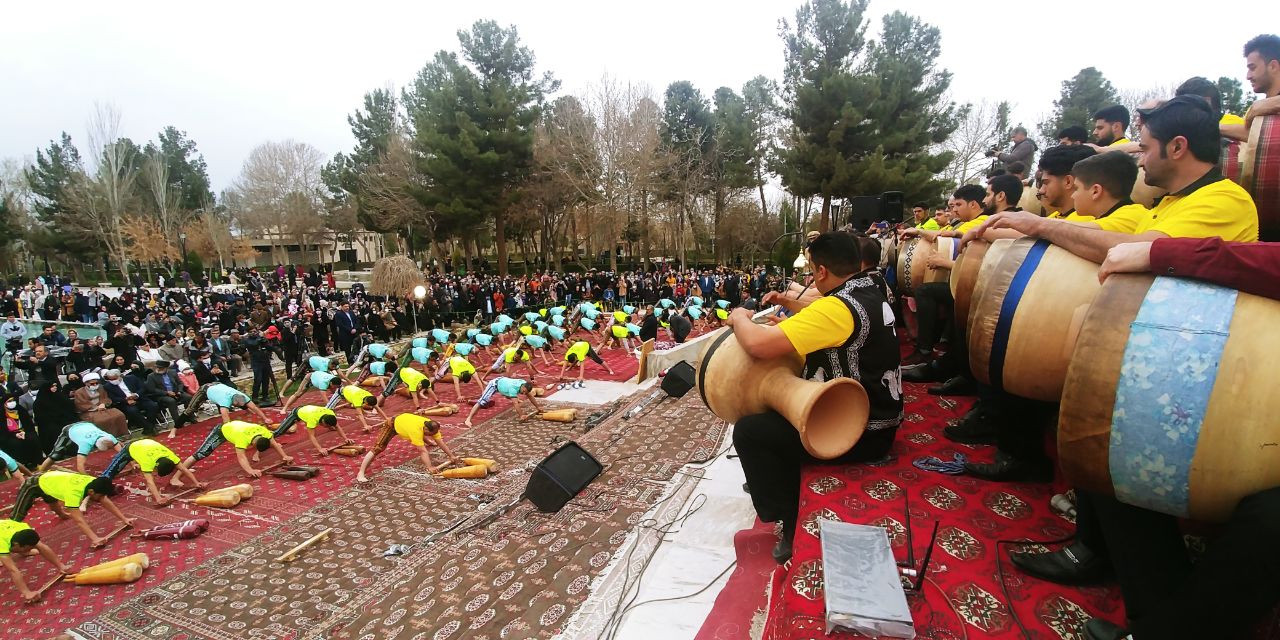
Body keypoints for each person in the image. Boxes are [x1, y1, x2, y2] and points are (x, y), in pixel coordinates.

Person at [1006, 237, 1280, 640]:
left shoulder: (1223, 199)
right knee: (1122, 426)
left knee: (1272, 519)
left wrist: (1156, 252)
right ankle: (1107, 564)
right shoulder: (1165, 207)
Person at [730, 232, 902, 564]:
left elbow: (757, 346)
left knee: (751, 430)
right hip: (883, 417)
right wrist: (790, 308)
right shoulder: (871, 287)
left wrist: (739, 317)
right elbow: (823, 317)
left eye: (811, 269)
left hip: (856, 431)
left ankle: (787, 514)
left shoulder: (837, 308)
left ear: (821, 271)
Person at [11, 471, 133, 548]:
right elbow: (79, 519)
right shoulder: (74, 494)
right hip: (34, 484)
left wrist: (124, 519)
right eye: (99, 495)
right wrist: (95, 538)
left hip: (52, 482)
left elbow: (105, 500)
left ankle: (62, 515)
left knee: (52, 500)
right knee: (16, 517)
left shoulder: (93, 482)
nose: (101, 498)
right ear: (91, 492)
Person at [356, 413, 460, 482]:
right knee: (378, 448)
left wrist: (451, 456)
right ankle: (360, 473)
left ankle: (427, 441)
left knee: (423, 438)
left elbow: (440, 441)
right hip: (392, 424)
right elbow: (422, 451)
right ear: (425, 429)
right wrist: (430, 467)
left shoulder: (432, 425)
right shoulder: (416, 431)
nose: (433, 434)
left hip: (404, 421)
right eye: (429, 434)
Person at [100, 438, 204, 504]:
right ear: (155, 467)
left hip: (148, 445)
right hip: (132, 448)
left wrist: (196, 483)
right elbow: (149, 481)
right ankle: (96, 486)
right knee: (111, 471)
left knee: (141, 461)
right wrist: (158, 498)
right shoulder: (147, 462)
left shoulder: (171, 456)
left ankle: (136, 463)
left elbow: (183, 469)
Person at [179, 421, 294, 479]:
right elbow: (241, 457)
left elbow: (274, 443)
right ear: (253, 444)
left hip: (235, 427)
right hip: (221, 431)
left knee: (273, 442)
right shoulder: (242, 439)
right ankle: (177, 476)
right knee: (201, 454)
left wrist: (285, 456)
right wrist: (251, 471)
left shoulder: (264, 432)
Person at [1222, 34, 1280, 143]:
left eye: (1252, 68)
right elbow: (1253, 133)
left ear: (1273, 66)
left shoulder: (1261, 107)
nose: (1248, 76)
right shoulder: (1258, 109)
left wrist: (1270, 104)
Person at [0, 520, 74, 603]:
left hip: (6, 531)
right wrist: (26, 593)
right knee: (5, 559)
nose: (32, 548)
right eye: (28, 548)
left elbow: (41, 546)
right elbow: (13, 569)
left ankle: (23, 551)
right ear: (17, 545)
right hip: (3, 539)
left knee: (35, 545)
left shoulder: (24, 528)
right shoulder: (2, 544)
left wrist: (61, 566)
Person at [37, 421, 120, 474]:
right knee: (56, 454)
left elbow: (123, 451)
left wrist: (133, 463)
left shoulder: (109, 437)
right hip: (70, 429)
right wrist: (87, 478)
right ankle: (39, 474)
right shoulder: (85, 444)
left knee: (118, 445)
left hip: (86, 424)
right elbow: (80, 466)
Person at [178, 382, 272, 427]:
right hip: (205, 389)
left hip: (217, 385)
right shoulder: (225, 402)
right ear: (233, 403)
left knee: (248, 406)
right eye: (236, 405)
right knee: (190, 409)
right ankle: (175, 428)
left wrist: (265, 418)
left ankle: (247, 410)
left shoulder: (242, 396)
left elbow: (254, 407)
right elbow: (226, 421)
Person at [464, 377, 544, 427]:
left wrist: (538, 407)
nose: (523, 394)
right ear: (523, 386)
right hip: (494, 385)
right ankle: (468, 419)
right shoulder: (513, 389)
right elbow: (515, 404)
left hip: (504, 383)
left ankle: (509, 395)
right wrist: (521, 415)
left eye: (525, 392)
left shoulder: (524, 384)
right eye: (523, 391)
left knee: (515, 397)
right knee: (481, 402)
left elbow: (530, 396)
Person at [279, 405, 353, 457]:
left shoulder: (330, 413)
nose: (327, 427)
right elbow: (311, 436)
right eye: (327, 426)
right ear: (323, 421)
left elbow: (337, 426)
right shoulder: (312, 419)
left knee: (292, 429)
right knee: (279, 431)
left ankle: (293, 425)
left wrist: (346, 438)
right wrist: (320, 449)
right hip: (297, 412)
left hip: (307, 409)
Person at [71, 373, 129, 438]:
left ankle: (123, 434)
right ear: (86, 383)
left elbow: (106, 398)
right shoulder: (79, 392)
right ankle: (107, 438)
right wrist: (96, 407)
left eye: (96, 383)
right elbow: (81, 404)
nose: (95, 385)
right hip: (89, 411)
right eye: (92, 384)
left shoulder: (101, 387)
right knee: (101, 420)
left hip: (103, 408)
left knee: (119, 415)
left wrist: (103, 404)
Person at [144, 361, 194, 437]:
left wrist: (180, 391)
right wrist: (166, 393)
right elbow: (152, 389)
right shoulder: (151, 376)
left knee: (188, 397)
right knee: (171, 401)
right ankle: (178, 422)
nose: (158, 369)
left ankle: (189, 416)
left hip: (176, 392)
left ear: (166, 368)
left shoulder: (172, 372)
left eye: (161, 368)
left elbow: (180, 383)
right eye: (158, 368)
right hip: (162, 395)